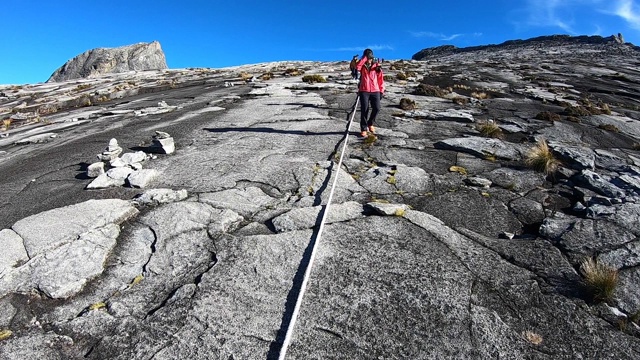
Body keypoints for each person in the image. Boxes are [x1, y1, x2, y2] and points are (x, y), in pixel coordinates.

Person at [356, 48, 385, 137]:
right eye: (368, 56)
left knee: (377, 108)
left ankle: (370, 123)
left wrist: (381, 90)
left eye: (370, 56)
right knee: (364, 109)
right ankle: (363, 128)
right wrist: (364, 58)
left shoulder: (376, 66)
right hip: (364, 90)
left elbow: (381, 79)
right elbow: (357, 68)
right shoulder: (362, 65)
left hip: (375, 90)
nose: (369, 58)